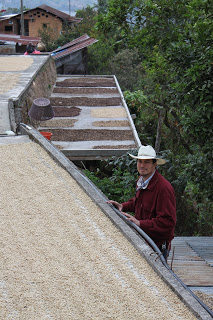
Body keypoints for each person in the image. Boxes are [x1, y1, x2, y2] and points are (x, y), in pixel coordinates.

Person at [108, 145, 176, 261]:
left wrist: (140, 223)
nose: (142, 165)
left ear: (155, 164)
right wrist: (122, 206)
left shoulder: (163, 188)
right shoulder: (142, 181)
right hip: (143, 242)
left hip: (157, 248)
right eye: (140, 161)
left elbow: (167, 223)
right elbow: (137, 203)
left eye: (147, 162)